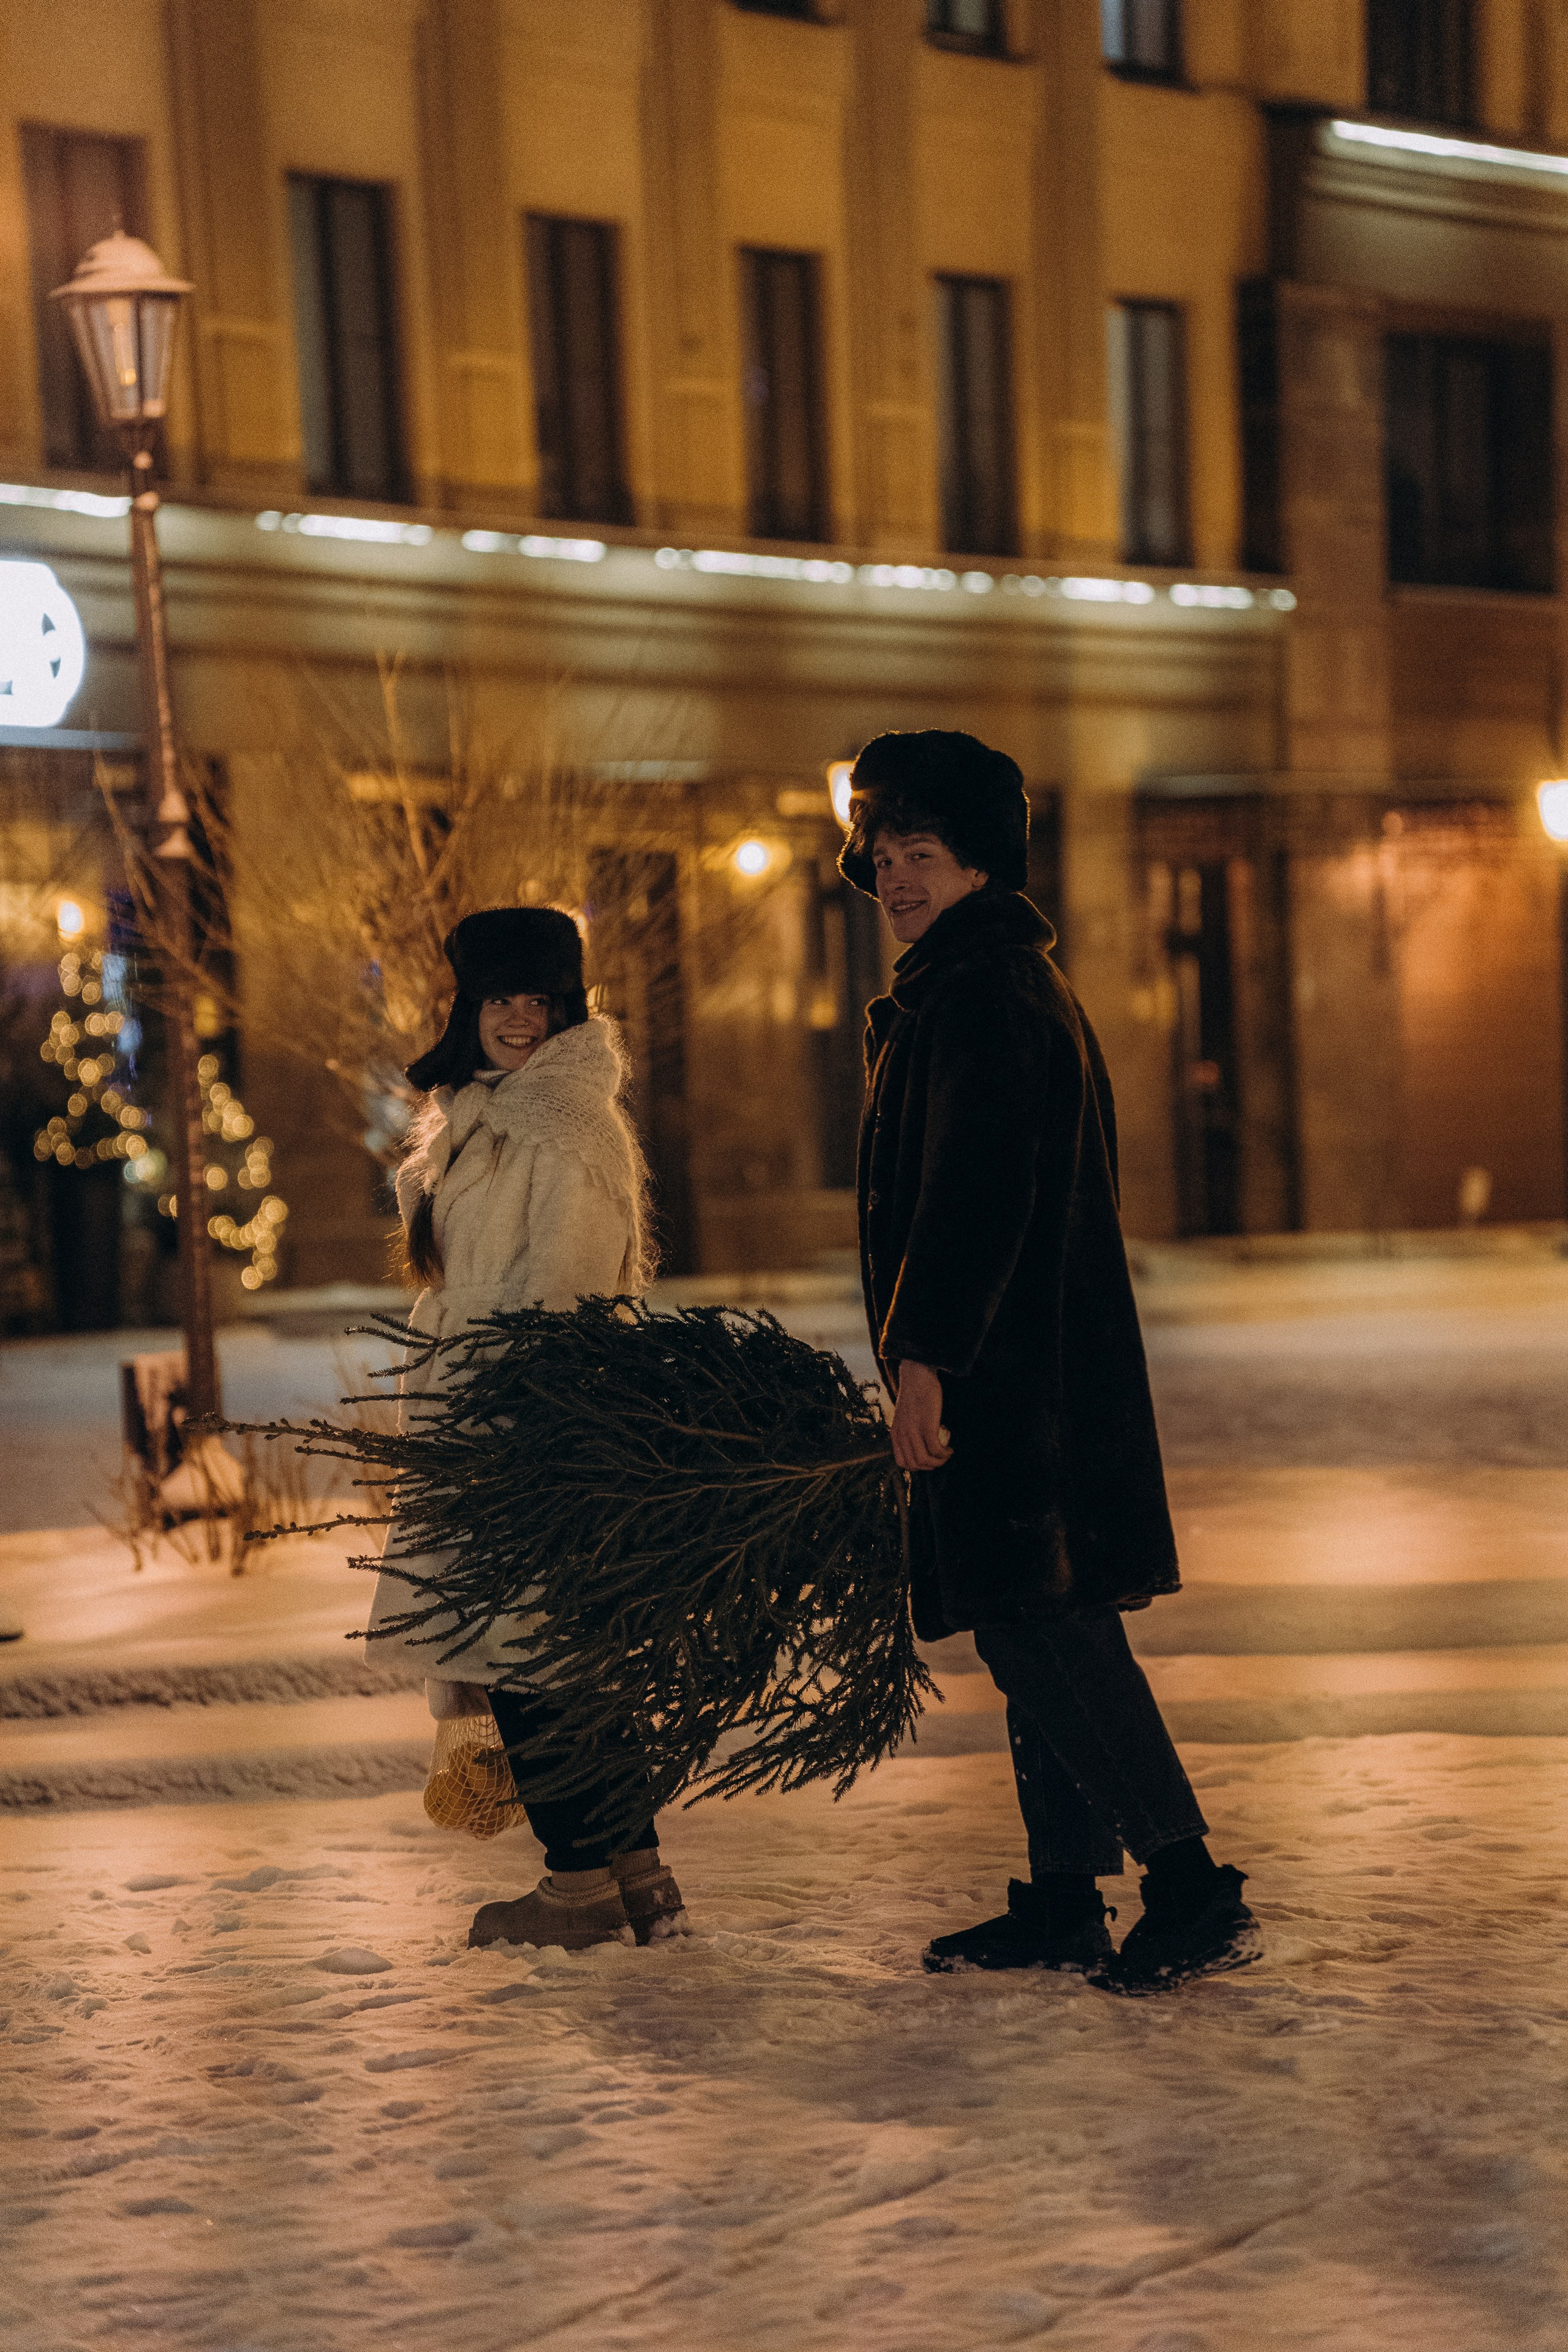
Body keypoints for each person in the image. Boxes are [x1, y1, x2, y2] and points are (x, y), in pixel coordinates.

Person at [841, 732, 1259, 1994]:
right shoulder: (969, 984)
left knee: (1040, 1632)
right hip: (1025, 1378)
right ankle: (1062, 1898)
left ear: (975, 862)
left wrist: (923, 1361)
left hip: (1016, 1386)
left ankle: (1185, 1885)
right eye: (882, 854)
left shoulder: (987, 997)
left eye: (919, 854)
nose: (895, 877)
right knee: (1037, 1624)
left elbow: (976, 1202)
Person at [366, 905, 688, 1955]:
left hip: (527, 1420)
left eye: (537, 1000)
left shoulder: (566, 1124)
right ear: (471, 1005)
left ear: (566, 1009)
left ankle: (577, 1886)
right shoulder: (483, 1111)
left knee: (528, 1658)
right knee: (565, 1655)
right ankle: (636, 1874)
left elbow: (567, 1291)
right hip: (484, 1408)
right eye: (499, 997)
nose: (516, 1017)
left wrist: (517, 1427)